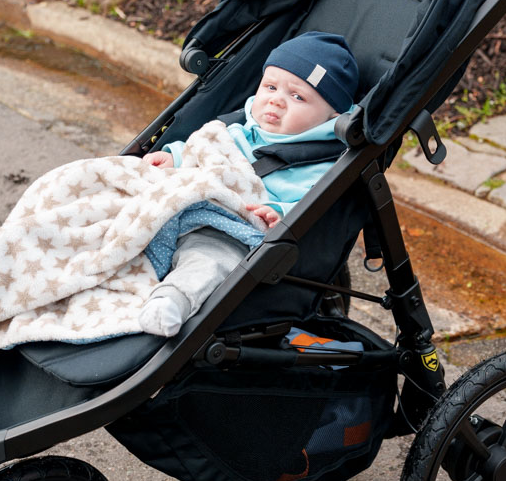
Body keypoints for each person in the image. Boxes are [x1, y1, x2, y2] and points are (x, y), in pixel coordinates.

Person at [138, 31, 359, 337]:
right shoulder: (241, 126)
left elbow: (310, 206)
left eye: (297, 97)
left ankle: (172, 300)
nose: (276, 101)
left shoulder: (318, 166)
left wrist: (278, 212)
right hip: (174, 204)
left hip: (224, 227)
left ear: (331, 116)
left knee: (208, 261)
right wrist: (175, 155)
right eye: (270, 86)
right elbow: (205, 148)